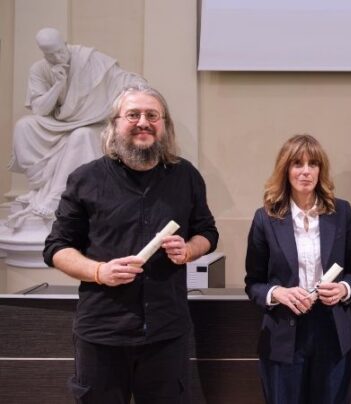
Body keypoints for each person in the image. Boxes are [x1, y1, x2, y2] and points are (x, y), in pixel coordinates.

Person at [42, 84, 219, 403]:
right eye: (133, 114)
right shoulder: (86, 179)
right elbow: (56, 248)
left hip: (167, 331)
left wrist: (190, 250)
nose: (143, 122)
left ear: (164, 125)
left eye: (153, 115)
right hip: (102, 333)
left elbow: (207, 232)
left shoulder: (186, 176)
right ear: (115, 124)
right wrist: (99, 271)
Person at [245, 134, 351, 404]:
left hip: (332, 331)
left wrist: (344, 289)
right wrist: (278, 294)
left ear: (321, 170)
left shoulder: (342, 212)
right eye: (297, 164)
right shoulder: (265, 218)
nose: (306, 171)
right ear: (285, 169)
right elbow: (253, 283)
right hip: (284, 333)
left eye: (313, 164)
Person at [8, 28, 146, 229]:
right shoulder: (40, 70)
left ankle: (57, 195)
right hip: (57, 123)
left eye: (59, 51)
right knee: (24, 126)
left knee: (80, 135)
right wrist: (57, 84)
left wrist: (140, 90)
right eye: (50, 55)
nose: (57, 57)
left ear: (65, 44)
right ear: (43, 53)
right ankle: (41, 187)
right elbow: (40, 110)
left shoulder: (89, 59)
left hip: (92, 122)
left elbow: (121, 78)